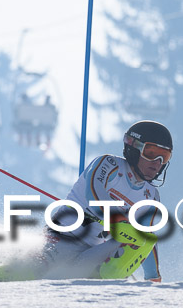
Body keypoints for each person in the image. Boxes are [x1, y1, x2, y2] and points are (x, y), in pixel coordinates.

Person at [40, 120, 173, 282]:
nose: (157, 163)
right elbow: (94, 194)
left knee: (144, 238)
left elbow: (147, 241)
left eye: (164, 157)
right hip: (62, 239)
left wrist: (154, 278)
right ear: (134, 148)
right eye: (151, 153)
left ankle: (103, 287)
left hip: (91, 254)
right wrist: (119, 221)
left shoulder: (151, 195)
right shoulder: (109, 164)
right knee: (29, 273)